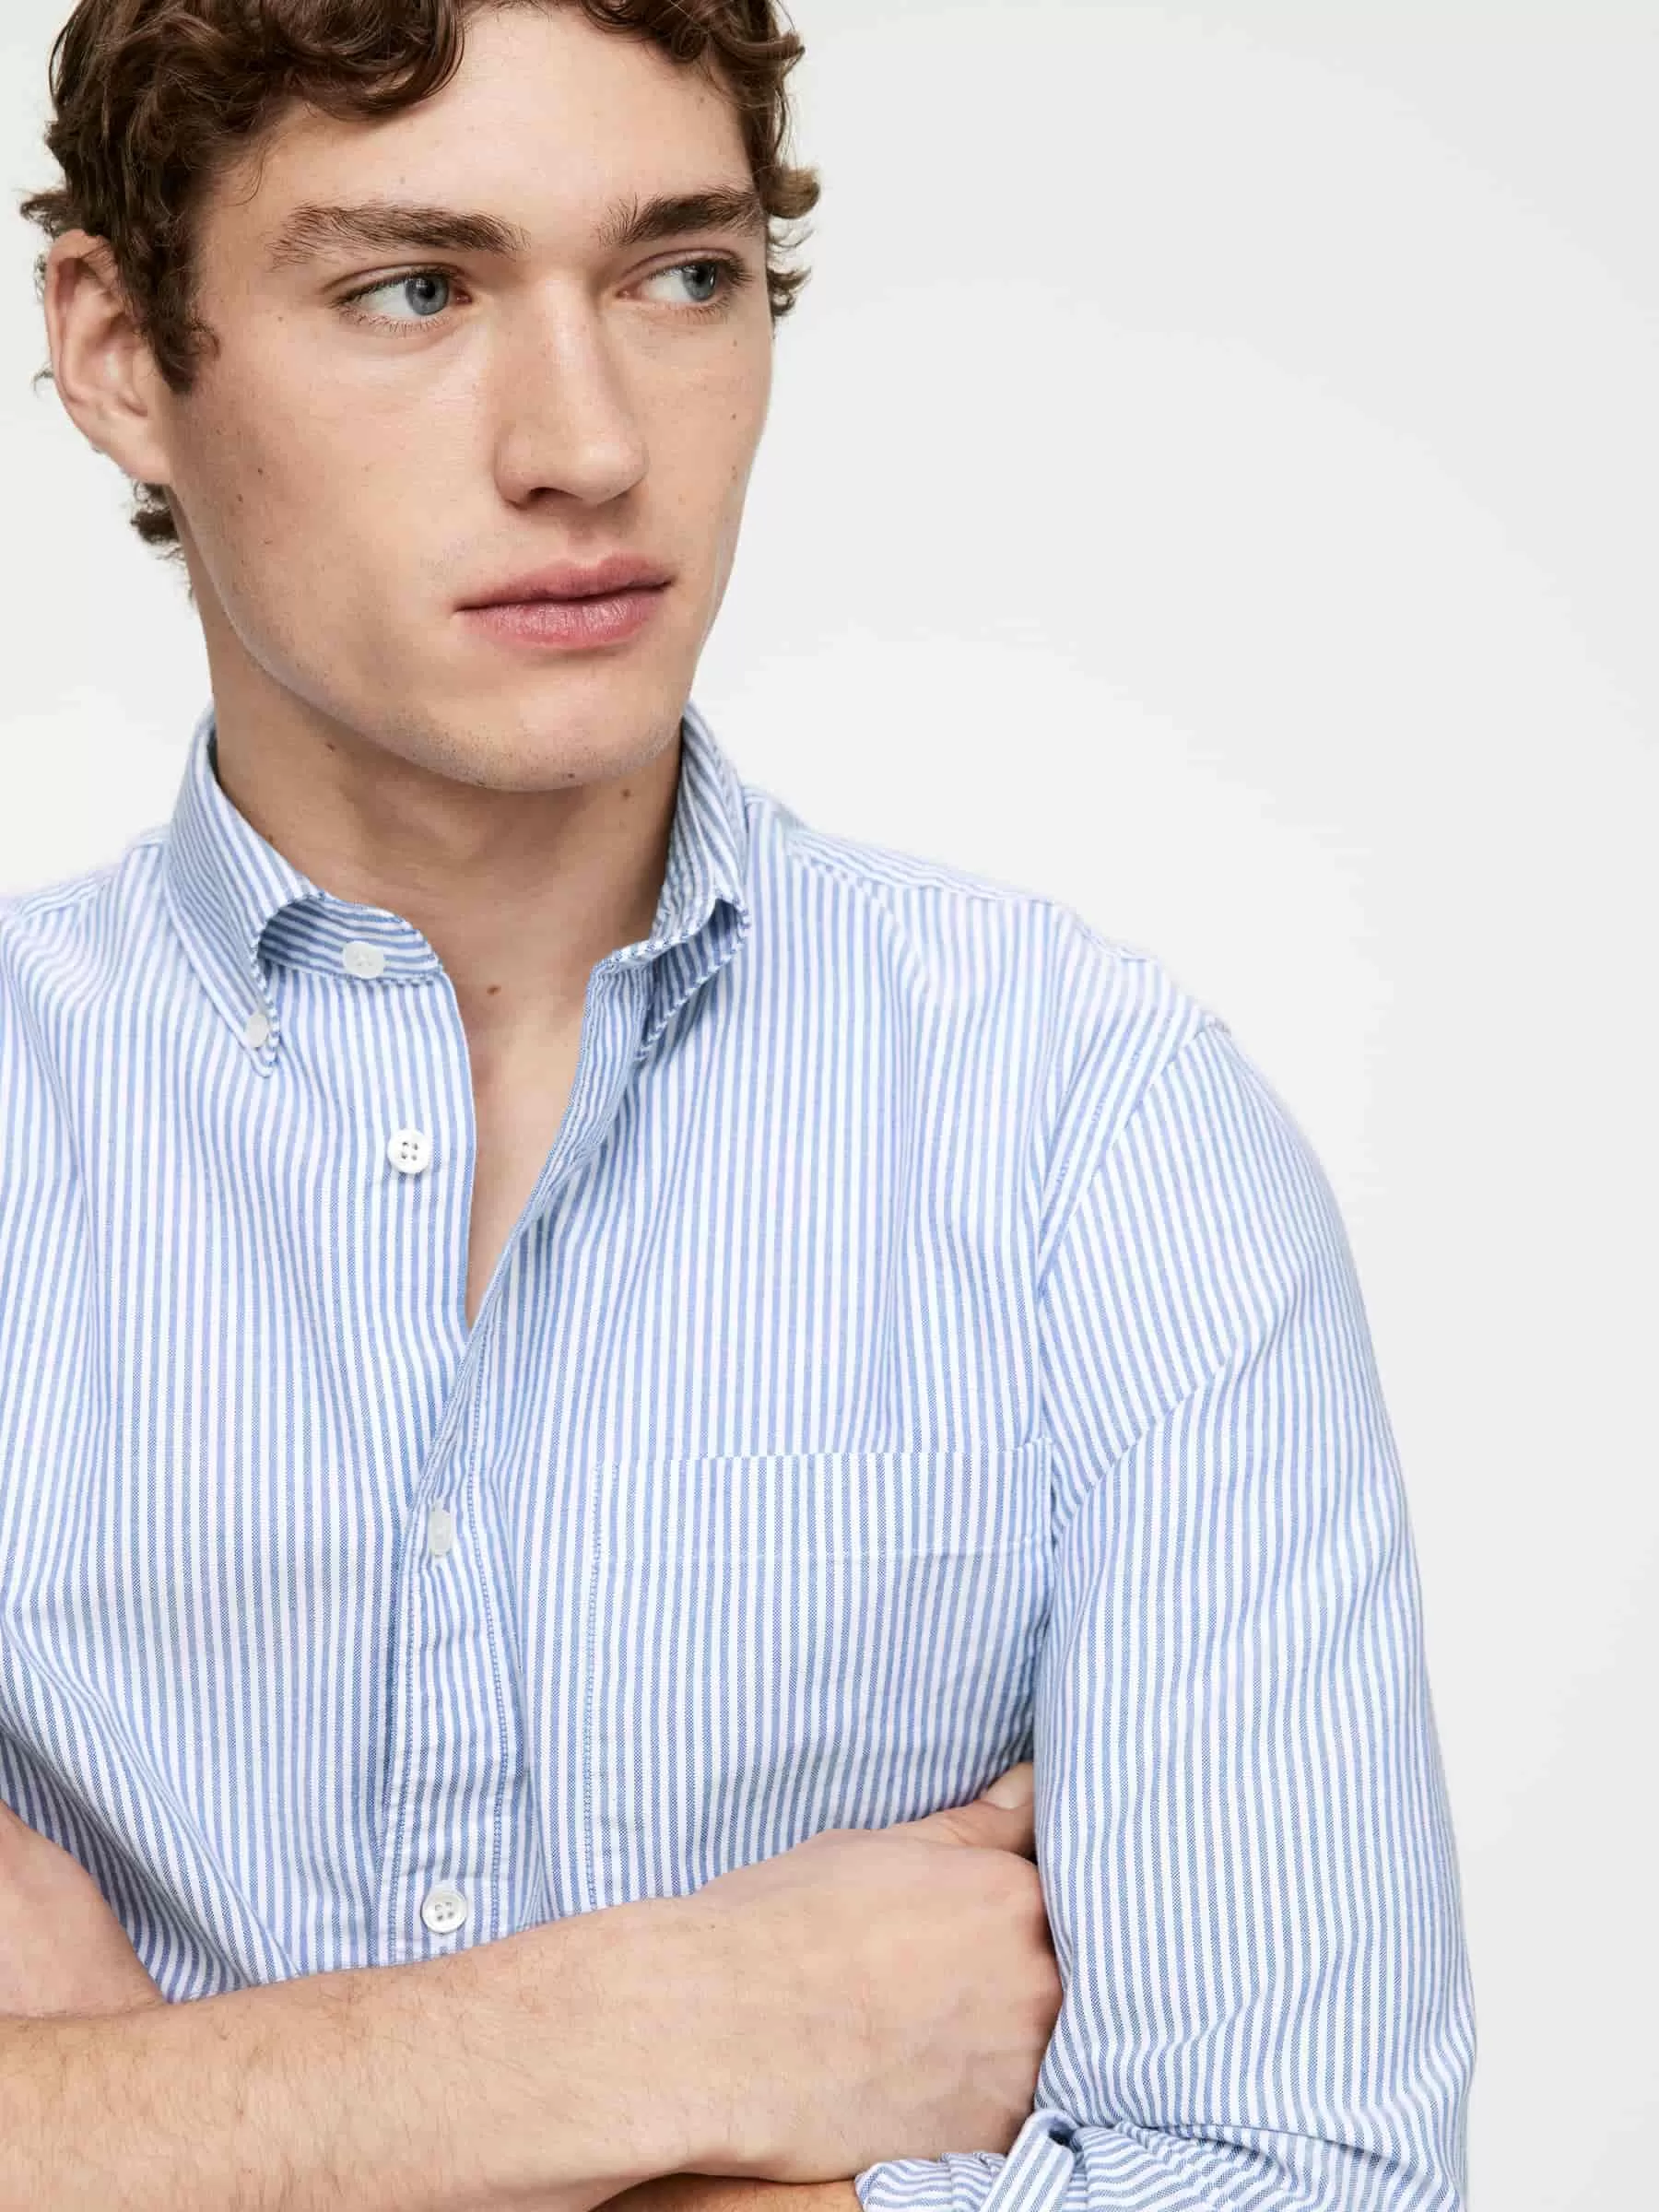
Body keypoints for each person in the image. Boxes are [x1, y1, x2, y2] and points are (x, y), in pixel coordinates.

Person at [0, 2, 1476, 2207]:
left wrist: (142, 2133)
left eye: (679, 275)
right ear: (123, 353)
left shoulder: (1094, 1141)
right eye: (414, 289)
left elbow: (1310, 2186)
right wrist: (675, 2033)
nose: (587, 444)